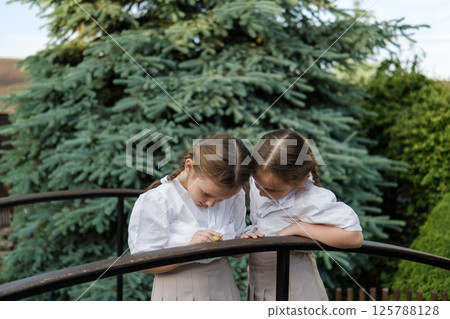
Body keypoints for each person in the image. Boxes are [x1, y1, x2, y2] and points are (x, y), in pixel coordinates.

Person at [242, 129, 364, 301]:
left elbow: (354, 236)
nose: (260, 192)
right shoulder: (262, 181)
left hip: (294, 290)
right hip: (260, 284)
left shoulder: (308, 198)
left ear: (301, 179)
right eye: (257, 183)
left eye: (271, 190)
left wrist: (300, 227)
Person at [128, 134, 253, 301]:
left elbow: (236, 249)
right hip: (178, 292)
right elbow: (143, 264)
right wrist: (188, 249)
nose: (211, 204)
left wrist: (245, 241)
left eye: (222, 198)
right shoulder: (158, 201)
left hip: (224, 287)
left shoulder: (235, 198)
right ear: (189, 167)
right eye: (206, 194)